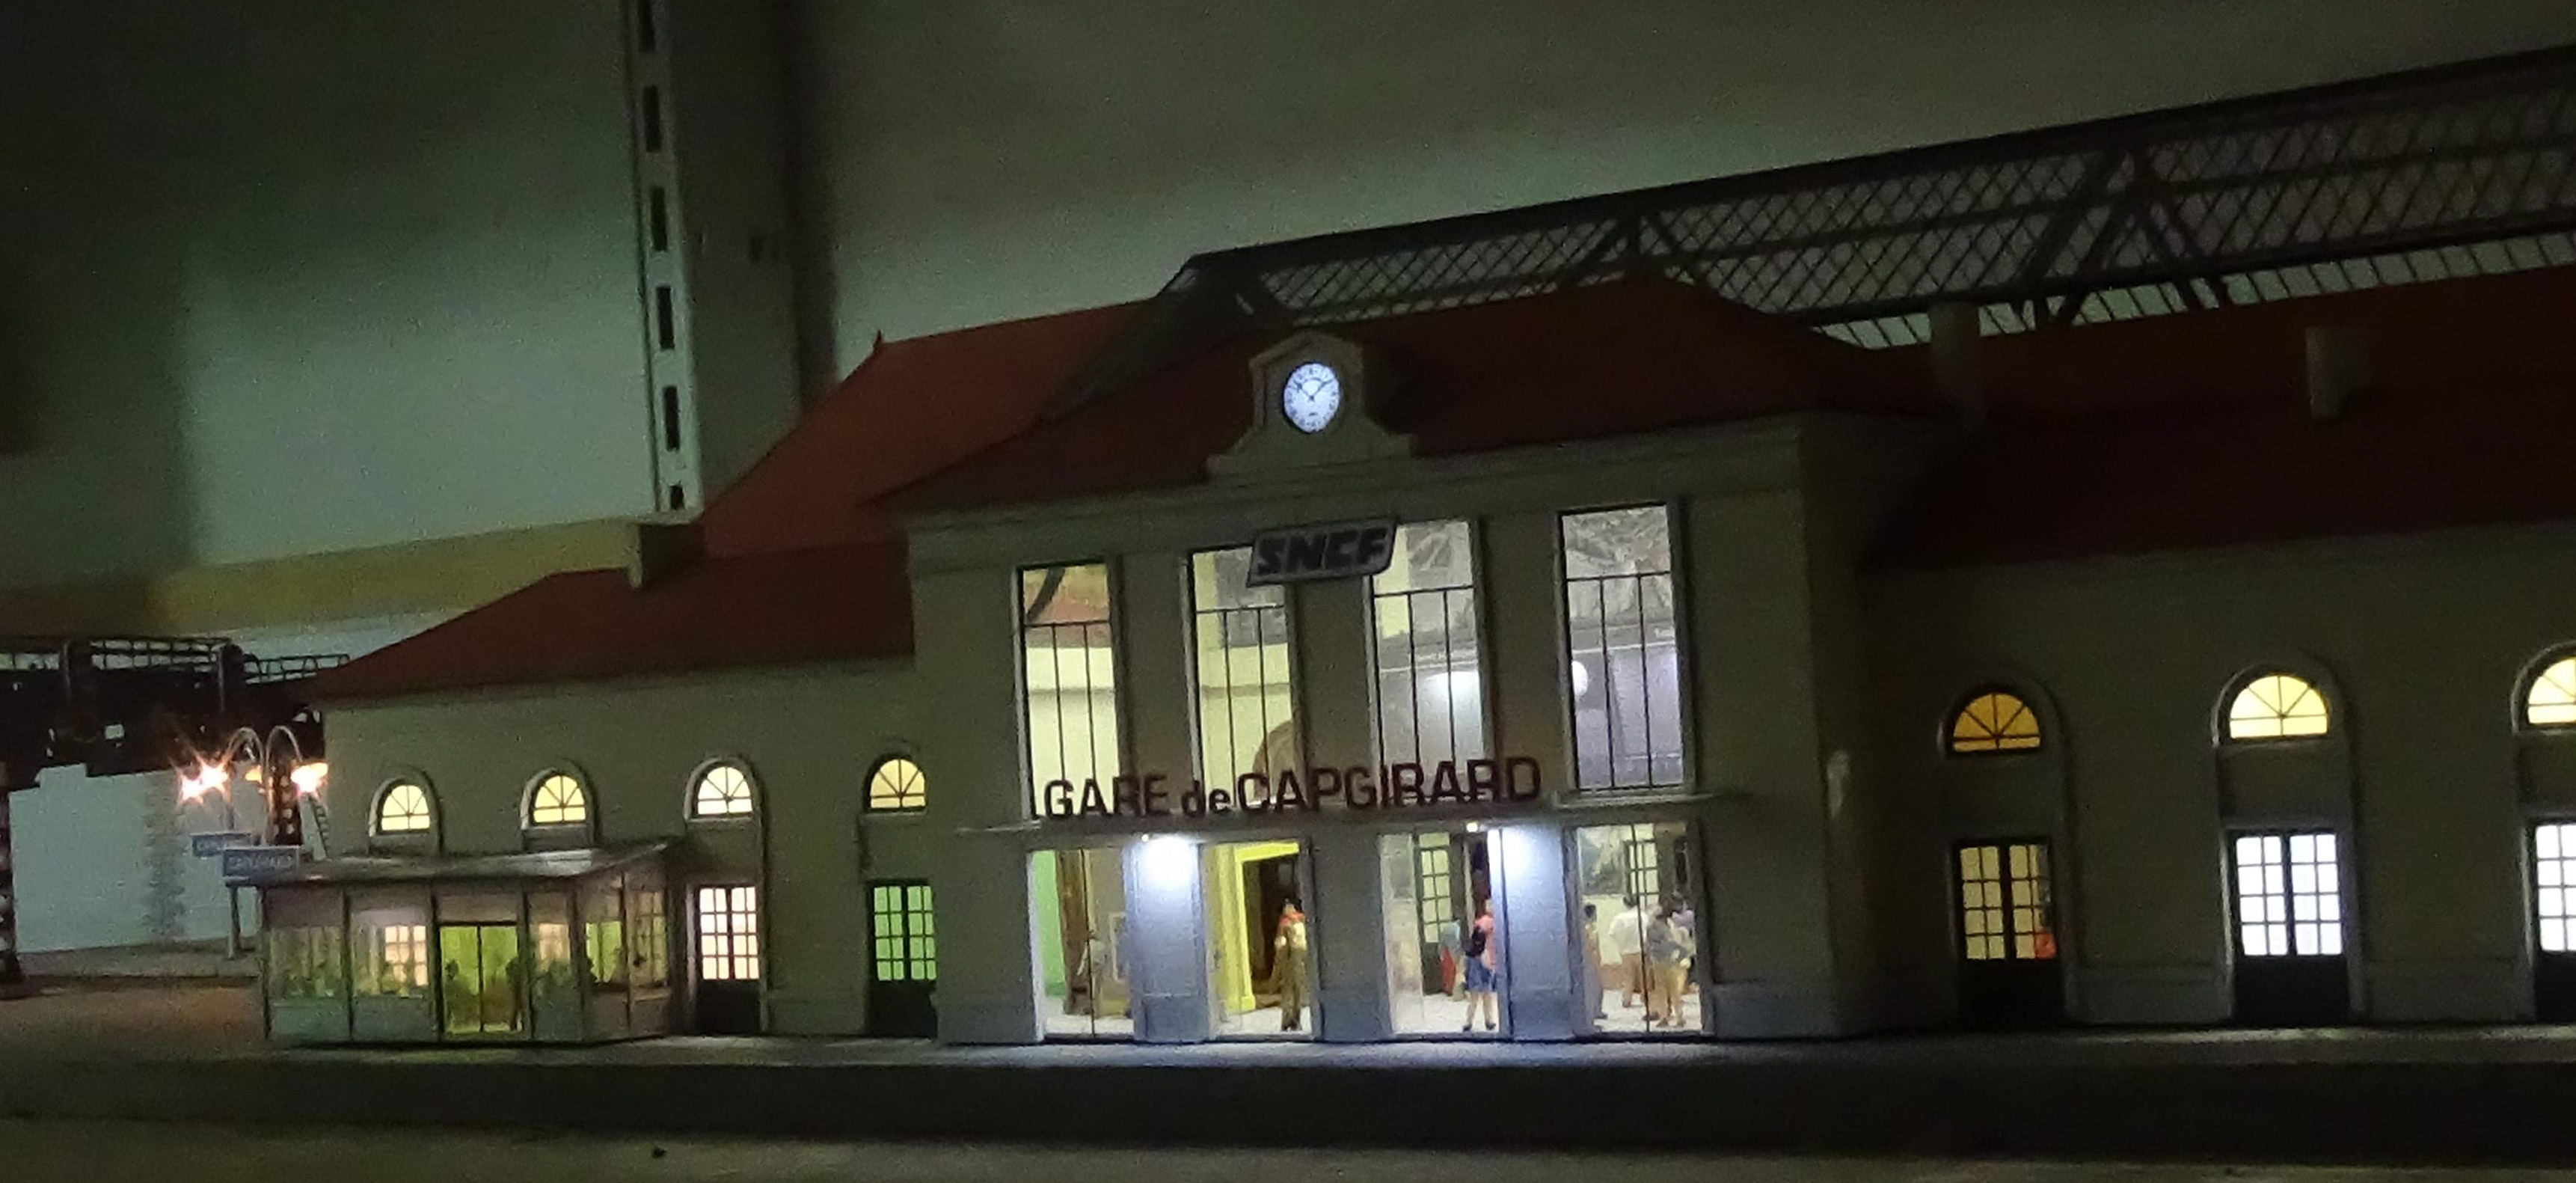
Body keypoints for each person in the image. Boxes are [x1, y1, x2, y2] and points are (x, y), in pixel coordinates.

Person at [1646, 904, 1692, 1030]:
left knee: (1663, 991)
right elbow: (1674, 943)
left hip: (1660, 961)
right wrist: (1682, 953)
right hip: (1669, 961)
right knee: (1673, 991)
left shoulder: (1653, 928)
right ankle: (1677, 1017)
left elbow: (1649, 946)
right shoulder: (1669, 927)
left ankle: (1665, 1017)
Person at [1461, 899, 1500, 1032]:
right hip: (1485, 959)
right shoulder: (1492, 922)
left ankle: (1469, 1021)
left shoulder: (1481, 922)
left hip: (1476, 958)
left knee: (1475, 992)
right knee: (1486, 991)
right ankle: (1489, 1020)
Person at [1272, 901, 1312, 1033]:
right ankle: (1287, 1020)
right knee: (1289, 992)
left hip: (1301, 958)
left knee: (1299, 991)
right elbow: (1280, 942)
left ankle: (1296, 1019)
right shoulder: (1285, 924)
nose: (1288, 910)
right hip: (1290, 959)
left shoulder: (1302, 921)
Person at [1604, 896, 1646, 1013]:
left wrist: (1622, 943)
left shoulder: (1620, 918)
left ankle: (1627, 1000)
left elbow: (1612, 933)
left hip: (1626, 951)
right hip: (1641, 950)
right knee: (1644, 977)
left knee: (1628, 978)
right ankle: (1645, 998)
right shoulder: (1643, 916)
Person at [1581, 903, 1606, 1021]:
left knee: (1598, 987)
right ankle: (1594, 1011)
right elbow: (1589, 946)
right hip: (1590, 961)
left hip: (1595, 960)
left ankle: (1597, 1010)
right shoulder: (1587, 929)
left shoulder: (1592, 928)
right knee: (1594, 988)